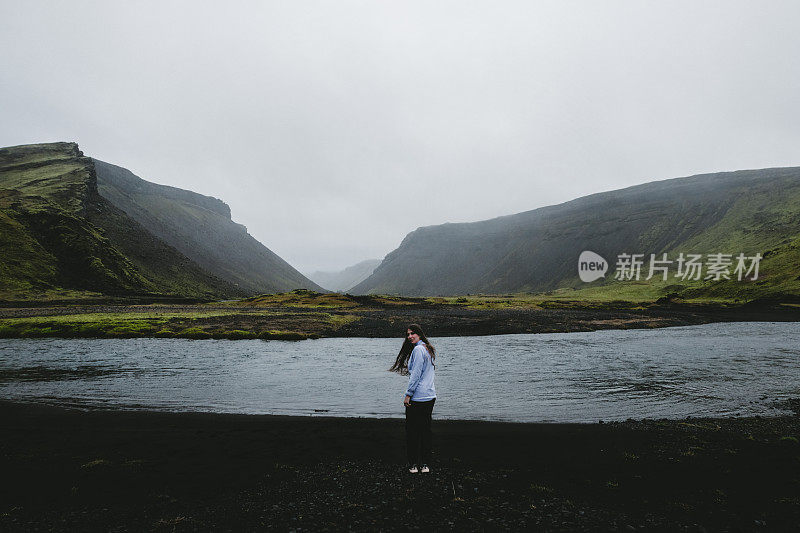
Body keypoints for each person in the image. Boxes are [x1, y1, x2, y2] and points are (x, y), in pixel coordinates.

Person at [389, 323, 436, 473]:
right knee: (425, 431)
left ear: (419, 334)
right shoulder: (429, 349)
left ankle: (414, 465)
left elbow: (415, 375)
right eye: (408, 334)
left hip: (418, 397)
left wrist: (408, 395)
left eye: (412, 333)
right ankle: (426, 465)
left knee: (412, 432)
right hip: (430, 396)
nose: (409, 336)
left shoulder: (418, 350)